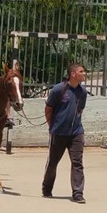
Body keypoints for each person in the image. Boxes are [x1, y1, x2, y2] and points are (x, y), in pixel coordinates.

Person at [41, 63, 88, 204]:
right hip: (58, 133)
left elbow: (80, 110)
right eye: (82, 71)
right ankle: (47, 188)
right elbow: (48, 109)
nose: (84, 73)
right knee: (53, 162)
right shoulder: (58, 90)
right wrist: (52, 127)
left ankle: (78, 193)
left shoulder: (83, 92)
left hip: (76, 133)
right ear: (73, 74)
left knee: (77, 162)